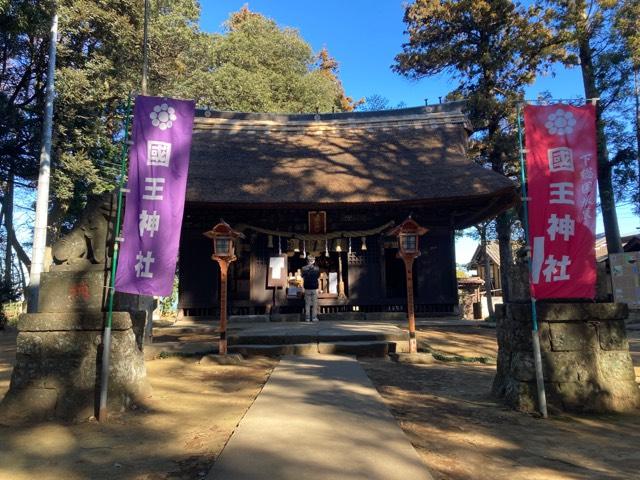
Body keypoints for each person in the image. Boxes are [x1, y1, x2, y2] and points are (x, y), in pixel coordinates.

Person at [301, 255, 320, 322]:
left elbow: (302, 278)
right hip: (314, 288)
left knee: (307, 304)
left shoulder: (303, 268)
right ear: (314, 261)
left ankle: (307, 318)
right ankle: (314, 317)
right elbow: (318, 278)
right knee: (315, 304)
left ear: (307, 261)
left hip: (307, 288)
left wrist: (302, 288)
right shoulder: (317, 269)